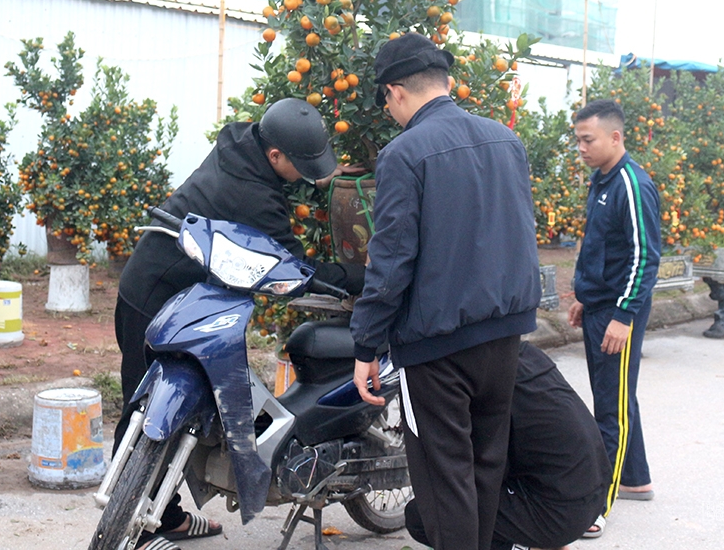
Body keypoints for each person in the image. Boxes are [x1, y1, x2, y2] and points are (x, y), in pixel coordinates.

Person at [114, 98, 363, 545]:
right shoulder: (254, 198)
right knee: (148, 408)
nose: (307, 175)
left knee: (171, 405)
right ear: (274, 156)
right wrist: (355, 279)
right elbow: (294, 268)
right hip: (154, 297)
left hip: (171, 287)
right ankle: (127, 524)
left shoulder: (239, 143)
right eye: (301, 165)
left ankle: (166, 514)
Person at [350, 32, 541, 550]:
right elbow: (521, 233)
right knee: (485, 466)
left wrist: (365, 345)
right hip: (503, 337)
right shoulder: (506, 140)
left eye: (385, 101)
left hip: (437, 348)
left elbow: (390, 263)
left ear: (395, 92)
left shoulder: (404, 154)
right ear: (447, 82)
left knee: (444, 479)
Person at [404, 342, 612, 550]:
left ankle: (530, 546)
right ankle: (544, 539)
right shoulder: (526, 354)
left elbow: (479, 466)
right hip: (594, 492)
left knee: (423, 516)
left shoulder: (482, 378)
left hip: (559, 512)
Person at [567, 98, 660, 540]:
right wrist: (585, 296)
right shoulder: (600, 180)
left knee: (610, 409)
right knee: (617, 396)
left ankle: (595, 506)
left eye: (588, 140)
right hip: (600, 306)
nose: (581, 147)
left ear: (615, 137)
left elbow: (645, 258)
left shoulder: (632, 184)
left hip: (618, 314)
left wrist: (623, 315)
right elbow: (602, 247)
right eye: (578, 139)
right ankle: (636, 479)